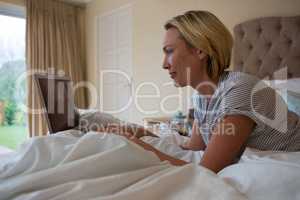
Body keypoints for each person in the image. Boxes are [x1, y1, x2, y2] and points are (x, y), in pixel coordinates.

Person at [101, 10, 300, 173]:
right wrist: (142, 133)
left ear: (200, 49)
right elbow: (194, 148)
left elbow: (205, 170)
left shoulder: (238, 90)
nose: (164, 64)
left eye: (169, 51)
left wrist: (137, 145)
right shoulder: (201, 97)